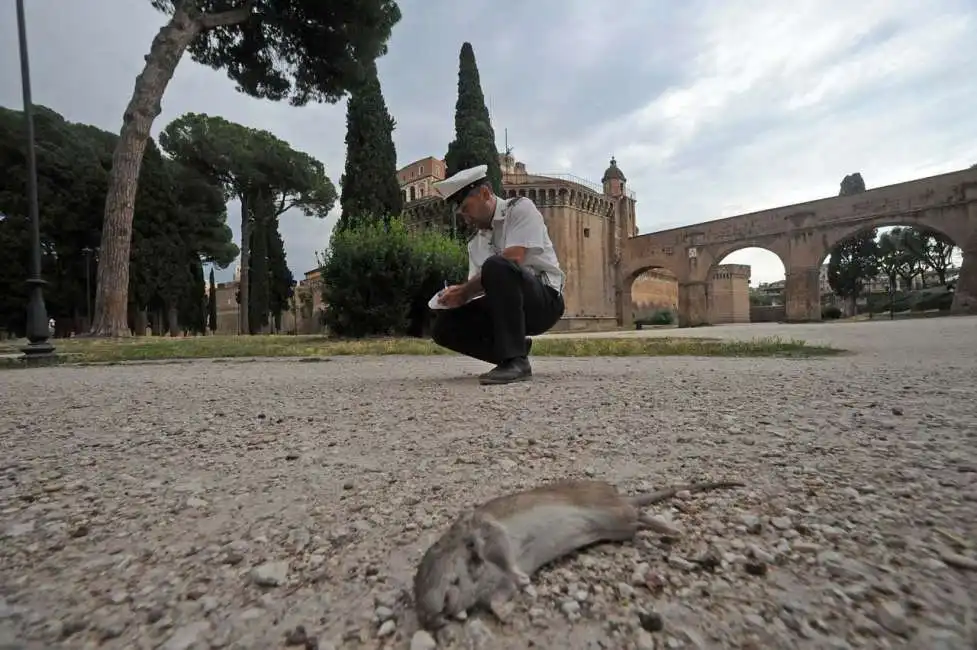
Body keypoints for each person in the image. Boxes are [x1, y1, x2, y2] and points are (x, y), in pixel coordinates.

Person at [429, 164, 566, 385]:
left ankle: (515, 361)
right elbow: (481, 288)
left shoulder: (520, 209)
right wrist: (455, 299)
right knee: (442, 328)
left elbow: (512, 259)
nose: (465, 217)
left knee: (498, 264)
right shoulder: (475, 244)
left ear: (485, 194)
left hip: (543, 302)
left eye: (466, 208)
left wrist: (465, 291)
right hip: (506, 311)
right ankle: (515, 350)